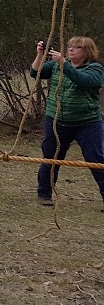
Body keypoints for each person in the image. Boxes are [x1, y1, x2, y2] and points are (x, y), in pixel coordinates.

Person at [31, 36, 104, 207]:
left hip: (88, 123)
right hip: (56, 120)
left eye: (76, 47)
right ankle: (44, 194)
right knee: (51, 158)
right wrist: (40, 55)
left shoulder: (95, 68)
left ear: (87, 52)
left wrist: (64, 64)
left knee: (96, 159)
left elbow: (84, 81)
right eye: (70, 46)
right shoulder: (56, 66)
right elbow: (36, 73)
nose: (71, 50)